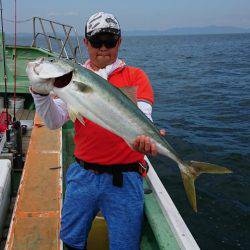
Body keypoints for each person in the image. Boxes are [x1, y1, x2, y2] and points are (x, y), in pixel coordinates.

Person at [30, 11, 165, 250]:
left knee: (124, 245)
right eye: (96, 41)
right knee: (71, 239)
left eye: (110, 41)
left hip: (125, 178)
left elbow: (143, 118)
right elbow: (54, 120)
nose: (103, 48)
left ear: (120, 42)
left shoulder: (136, 77)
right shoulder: (71, 80)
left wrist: (144, 139)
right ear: (85, 43)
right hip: (83, 175)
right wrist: (41, 95)